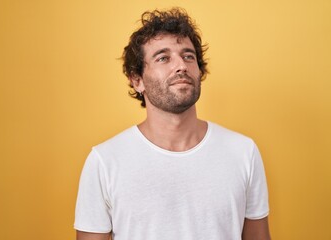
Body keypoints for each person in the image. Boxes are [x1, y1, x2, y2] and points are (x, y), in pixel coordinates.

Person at [74, 8, 271, 240]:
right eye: (163, 58)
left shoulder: (243, 151)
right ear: (137, 80)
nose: (181, 66)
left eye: (188, 56)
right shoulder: (105, 161)